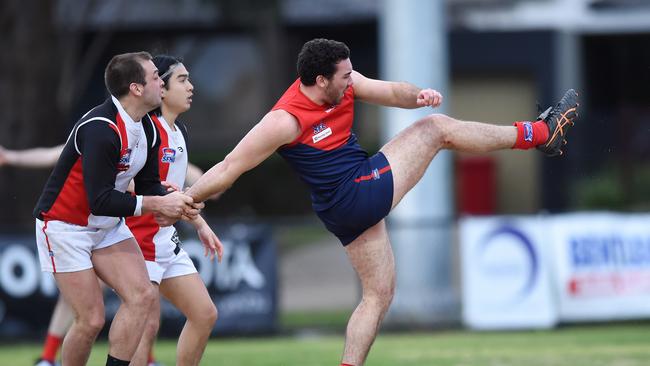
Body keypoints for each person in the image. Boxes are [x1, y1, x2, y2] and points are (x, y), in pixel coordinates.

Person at [184, 38, 579, 365]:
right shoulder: (284, 120)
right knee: (436, 130)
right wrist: (185, 200)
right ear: (321, 81)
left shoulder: (343, 81)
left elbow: (390, 92)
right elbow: (229, 166)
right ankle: (542, 133)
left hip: (344, 205)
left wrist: (418, 95)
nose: (351, 79)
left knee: (378, 294)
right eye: (344, 75)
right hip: (353, 192)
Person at [32, 51, 202, 366]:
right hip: (65, 227)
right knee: (91, 319)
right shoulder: (101, 128)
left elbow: (150, 185)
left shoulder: (148, 129)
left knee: (143, 297)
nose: (161, 84)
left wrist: (181, 200)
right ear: (136, 89)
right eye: (154, 77)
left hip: (106, 226)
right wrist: (157, 203)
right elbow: (101, 199)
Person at [126, 54, 223, 366]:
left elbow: (175, 195)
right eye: (182, 80)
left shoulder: (179, 132)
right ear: (162, 90)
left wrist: (201, 225)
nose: (191, 86)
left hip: (165, 240)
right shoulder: (145, 131)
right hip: (140, 240)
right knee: (146, 325)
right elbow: (123, 182)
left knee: (204, 314)